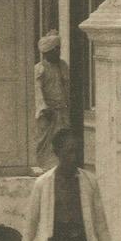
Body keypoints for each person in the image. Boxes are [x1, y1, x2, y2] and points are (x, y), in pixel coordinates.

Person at [33, 31, 69, 167]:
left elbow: (67, 88)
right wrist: (44, 109)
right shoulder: (39, 69)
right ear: (47, 52)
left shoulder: (63, 66)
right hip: (47, 113)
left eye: (59, 49)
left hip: (62, 111)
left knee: (61, 141)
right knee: (43, 142)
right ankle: (41, 167)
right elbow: (37, 91)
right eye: (55, 50)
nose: (58, 52)